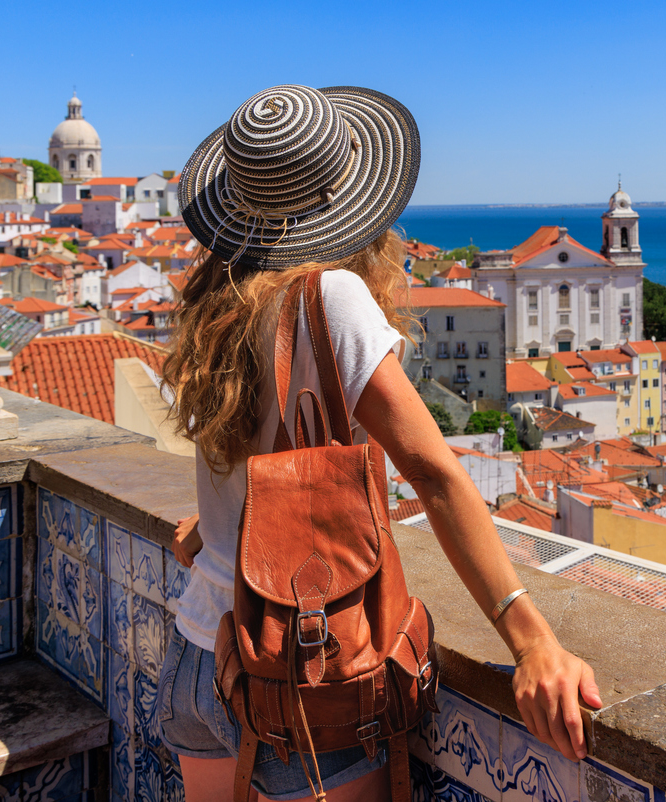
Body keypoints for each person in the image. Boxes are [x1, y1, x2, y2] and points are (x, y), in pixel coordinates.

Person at [158, 85, 601, 802]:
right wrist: (531, 639)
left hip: (195, 654)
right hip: (294, 677)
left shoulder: (224, 295)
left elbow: (243, 457)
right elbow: (434, 474)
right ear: (350, 198)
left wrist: (216, 534)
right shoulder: (330, 295)